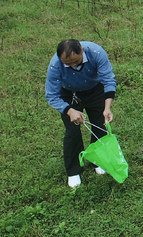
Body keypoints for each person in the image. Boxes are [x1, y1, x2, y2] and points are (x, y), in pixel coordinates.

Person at [45, 39, 117, 189]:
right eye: (68, 64)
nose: (72, 66)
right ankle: (73, 171)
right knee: (72, 131)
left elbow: (108, 79)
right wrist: (69, 110)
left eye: (76, 62)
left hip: (94, 90)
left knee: (100, 125)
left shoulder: (96, 52)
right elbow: (51, 95)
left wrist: (107, 107)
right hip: (69, 94)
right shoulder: (55, 64)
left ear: (82, 51)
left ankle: (97, 160)